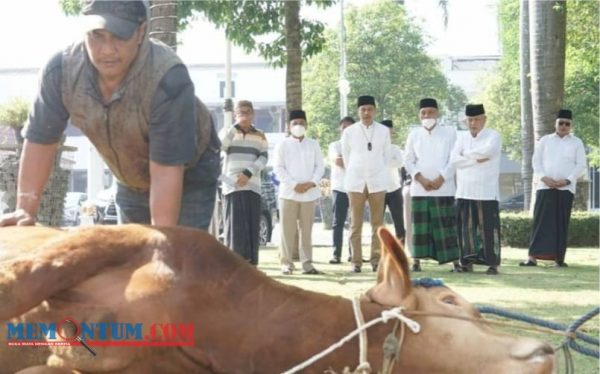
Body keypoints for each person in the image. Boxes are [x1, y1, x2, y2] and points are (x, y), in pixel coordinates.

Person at [0, 0, 220, 230]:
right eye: (97, 35)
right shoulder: (60, 72)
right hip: (130, 176)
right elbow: (40, 140)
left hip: (188, 171)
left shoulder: (169, 79)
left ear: (141, 31)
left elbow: (166, 171)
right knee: (133, 257)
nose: (107, 50)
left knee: (174, 254)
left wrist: (162, 243)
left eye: (119, 36)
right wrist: (25, 209)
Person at [520, 109, 587, 268]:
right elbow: (536, 162)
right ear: (555, 124)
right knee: (540, 222)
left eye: (567, 124)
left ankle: (559, 260)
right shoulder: (545, 140)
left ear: (571, 125)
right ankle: (532, 258)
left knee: (561, 223)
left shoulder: (576, 142)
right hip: (545, 187)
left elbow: (581, 165)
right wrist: (544, 178)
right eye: (561, 123)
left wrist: (567, 180)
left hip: (566, 189)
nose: (564, 126)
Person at [404, 98, 459, 271]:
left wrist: (441, 178)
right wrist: (420, 179)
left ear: (437, 113)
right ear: (419, 115)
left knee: (446, 227)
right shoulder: (414, 134)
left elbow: (454, 159)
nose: (427, 115)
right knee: (420, 228)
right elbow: (408, 160)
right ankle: (417, 261)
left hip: (444, 188)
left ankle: (454, 262)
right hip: (420, 188)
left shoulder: (450, 132)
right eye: (423, 113)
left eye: (430, 112)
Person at [450, 104, 502, 275]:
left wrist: (465, 155)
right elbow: (454, 160)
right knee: (466, 229)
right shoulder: (461, 137)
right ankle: (466, 262)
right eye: (470, 120)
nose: (474, 123)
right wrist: (474, 159)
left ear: (484, 119)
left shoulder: (493, 136)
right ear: (466, 121)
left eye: (477, 119)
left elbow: (488, 152)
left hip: (486, 191)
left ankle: (492, 263)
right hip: (464, 190)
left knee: (488, 228)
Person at [342, 96, 391, 273]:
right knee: (356, 224)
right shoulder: (349, 132)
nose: (366, 113)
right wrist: (356, 172)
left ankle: (376, 260)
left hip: (377, 181)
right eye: (363, 109)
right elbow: (346, 157)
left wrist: (377, 172)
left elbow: (386, 157)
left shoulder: (384, 131)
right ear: (358, 111)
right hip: (355, 182)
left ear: (375, 110)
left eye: (370, 109)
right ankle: (356, 261)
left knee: (378, 224)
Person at [274, 110, 325, 275]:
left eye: (302, 123)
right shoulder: (283, 144)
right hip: (288, 194)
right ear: (289, 126)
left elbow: (320, 167)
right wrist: (294, 184)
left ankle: (307, 264)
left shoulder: (313, 144)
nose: (298, 126)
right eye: (295, 123)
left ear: (307, 125)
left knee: (307, 231)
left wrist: (311, 183)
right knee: (287, 231)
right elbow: (278, 168)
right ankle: (286, 263)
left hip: (309, 193)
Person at [219, 100, 268, 265]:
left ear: (253, 114)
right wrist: (234, 127)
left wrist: (248, 173)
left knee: (252, 227)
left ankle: (252, 266)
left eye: (247, 112)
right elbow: (220, 147)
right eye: (240, 112)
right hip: (232, 186)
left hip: (252, 185)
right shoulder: (228, 132)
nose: (244, 115)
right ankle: (234, 266)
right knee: (234, 229)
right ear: (235, 114)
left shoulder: (260, 134)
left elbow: (264, 157)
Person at [328, 116, 355, 264]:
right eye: (344, 127)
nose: (346, 130)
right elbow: (338, 160)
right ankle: (336, 254)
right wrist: (355, 164)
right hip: (339, 188)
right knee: (338, 222)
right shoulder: (335, 145)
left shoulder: (358, 145)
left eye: (349, 128)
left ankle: (354, 254)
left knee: (354, 223)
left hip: (355, 188)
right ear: (340, 129)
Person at [381, 119, 406, 243]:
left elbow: (400, 162)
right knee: (378, 226)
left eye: (389, 132)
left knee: (399, 224)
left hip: (395, 190)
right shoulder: (374, 148)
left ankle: (400, 252)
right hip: (378, 190)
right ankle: (379, 253)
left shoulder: (395, 148)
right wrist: (389, 162)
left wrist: (383, 162)